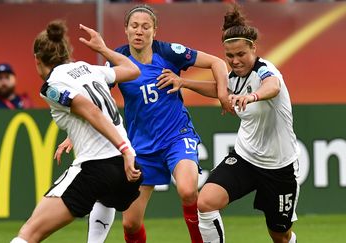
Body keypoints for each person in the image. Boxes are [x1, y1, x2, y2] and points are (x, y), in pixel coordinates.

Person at [81, 4, 234, 243]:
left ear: (155, 30)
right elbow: (93, 100)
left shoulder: (170, 52)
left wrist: (223, 94)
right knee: (131, 224)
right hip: (141, 147)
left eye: (145, 27)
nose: (139, 31)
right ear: (126, 30)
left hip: (176, 137)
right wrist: (74, 134)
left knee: (187, 189)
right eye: (134, 26)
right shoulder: (117, 62)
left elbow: (217, 63)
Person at [10, 20, 142, 243]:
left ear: (37, 59)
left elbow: (90, 110)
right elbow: (133, 70)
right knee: (105, 197)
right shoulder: (88, 68)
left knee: (28, 234)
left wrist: (125, 148)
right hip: (125, 170)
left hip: (97, 167)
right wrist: (103, 49)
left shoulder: (51, 87)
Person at [194, 5, 300, 243]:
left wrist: (251, 97)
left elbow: (272, 86)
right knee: (206, 202)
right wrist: (183, 82)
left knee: (280, 235)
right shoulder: (234, 78)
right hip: (245, 159)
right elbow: (218, 89)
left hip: (279, 167)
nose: (235, 61)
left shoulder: (266, 69)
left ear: (253, 48)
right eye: (229, 56)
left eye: (241, 54)